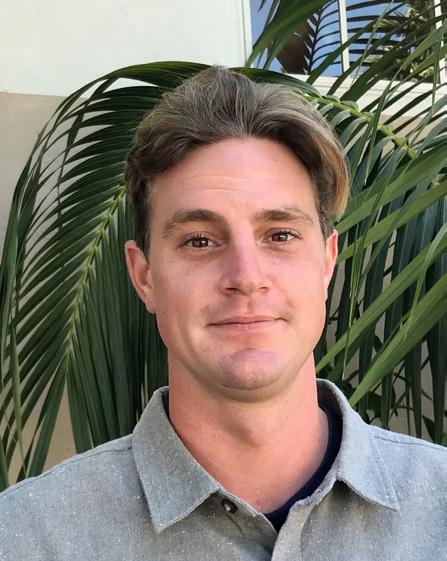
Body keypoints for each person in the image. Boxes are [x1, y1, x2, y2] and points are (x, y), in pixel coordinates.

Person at [0, 66, 445, 560]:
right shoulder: (26, 537)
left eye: (280, 235)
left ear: (325, 262)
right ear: (144, 276)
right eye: (200, 241)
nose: (246, 276)